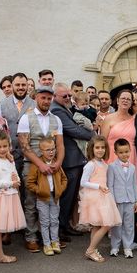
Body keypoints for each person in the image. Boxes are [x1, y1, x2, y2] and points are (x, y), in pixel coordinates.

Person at [18, 85, 64, 253]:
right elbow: (25, 147)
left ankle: (51, 238)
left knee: (51, 202)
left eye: (48, 98)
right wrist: (40, 164)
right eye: (43, 98)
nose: (46, 101)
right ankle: (31, 237)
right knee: (31, 202)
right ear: (36, 98)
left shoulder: (56, 119)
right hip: (32, 166)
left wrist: (58, 162)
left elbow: (60, 144)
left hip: (52, 167)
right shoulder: (26, 118)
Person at [50, 83, 96, 239]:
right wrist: (93, 135)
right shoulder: (57, 109)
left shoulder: (64, 107)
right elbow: (72, 129)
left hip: (75, 159)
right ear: (55, 96)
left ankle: (65, 224)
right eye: (65, 96)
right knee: (67, 196)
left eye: (69, 95)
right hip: (69, 160)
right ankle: (60, 229)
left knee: (71, 195)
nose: (68, 98)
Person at [79, 136, 122, 262]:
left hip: (103, 196)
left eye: (103, 147)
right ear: (92, 149)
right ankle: (90, 250)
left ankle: (93, 248)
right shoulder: (90, 165)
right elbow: (83, 182)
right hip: (94, 197)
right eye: (97, 147)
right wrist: (98, 186)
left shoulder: (104, 163)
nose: (100, 150)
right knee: (106, 224)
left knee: (97, 226)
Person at [0, 130, 26, 263]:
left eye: (5, 146)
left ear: (9, 146)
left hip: (11, 196)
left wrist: (17, 180)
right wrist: (11, 183)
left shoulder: (10, 160)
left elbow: (14, 174)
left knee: (1, 226)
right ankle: (0, 255)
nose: (2, 149)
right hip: (0, 198)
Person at [27, 136, 68, 256]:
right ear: (41, 151)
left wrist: (60, 189)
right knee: (45, 222)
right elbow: (29, 182)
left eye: (53, 149)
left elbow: (64, 179)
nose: (51, 152)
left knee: (54, 220)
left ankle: (55, 242)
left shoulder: (57, 164)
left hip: (55, 197)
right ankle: (46, 244)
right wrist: (39, 190)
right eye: (48, 150)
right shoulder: (37, 165)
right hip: (42, 198)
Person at [107, 138, 137, 258]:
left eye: (126, 151)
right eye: (121, 152)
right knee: (117, 225)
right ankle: (115, 246)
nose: (124, 154)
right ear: (115, 153)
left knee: (129, 225)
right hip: (117, 200)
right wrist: (112, 200)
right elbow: (110, 185)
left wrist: (136, 200)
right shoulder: (112, 167)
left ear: (130, 151)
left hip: (130, 200)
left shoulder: (132, 167)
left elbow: (134, 184)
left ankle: (128, 247)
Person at [101, 89, 137, 171]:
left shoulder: (135, 120)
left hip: (130, 156)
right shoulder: (109, 118)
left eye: (128, 99)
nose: (125, 101)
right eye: (123, 98)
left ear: (131, 103)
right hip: (112, 155)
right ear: (117, 101)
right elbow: (102, 141)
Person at [72, 92, 95, 157]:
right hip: (80, 134)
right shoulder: (76, 112)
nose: (85, 106)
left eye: (86, 104)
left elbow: (93, 117)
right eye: (82, 104)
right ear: (76, 104)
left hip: (88, 133)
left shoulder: (90, 111)